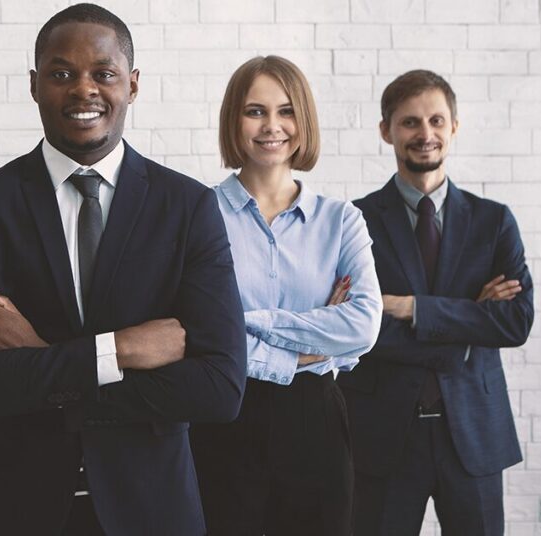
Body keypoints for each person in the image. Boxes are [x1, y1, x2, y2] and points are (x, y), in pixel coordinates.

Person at [0, 4, 246, 535]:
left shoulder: (187, 207)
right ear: (33, 85)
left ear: (133, 85)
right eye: (61, 73)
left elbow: (219, 386)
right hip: (19, 509)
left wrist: (39, 358)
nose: (83, 90)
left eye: (104, 73)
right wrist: (115, 351)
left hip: (152, 511)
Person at [188, 56, 383, 536]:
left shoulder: (342, 221)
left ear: (304, 120)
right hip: (224, 416)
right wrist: (313, 345)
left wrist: (245, 323)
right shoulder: (198, 214)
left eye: (286, 110)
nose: (272, 126)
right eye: (255, 111)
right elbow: (192, 333)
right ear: (234, 119)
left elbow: (363, 325)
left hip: (314, 419)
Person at [339, 69, 533, 535]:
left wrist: (409, 308)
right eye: (410, 122)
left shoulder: (494, 222)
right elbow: (357, 331)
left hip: (474, 435)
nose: (425, 134)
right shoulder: (355, 221)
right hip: (383, 437)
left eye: (436, 121)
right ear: (386, 130)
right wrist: (468, 325)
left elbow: (514, 322)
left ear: (454, 127)